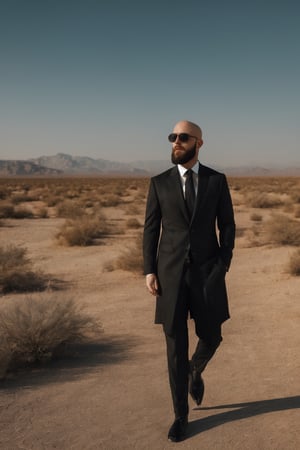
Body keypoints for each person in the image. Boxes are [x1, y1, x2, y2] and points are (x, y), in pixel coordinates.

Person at [143, 120, 235, 442]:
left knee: (212, 335)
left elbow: (227, 224)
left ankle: (196, 368)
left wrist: (223, 263)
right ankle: (180, 416)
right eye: (173, 137)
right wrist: (149, 270)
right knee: (174, 345)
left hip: (207, 274)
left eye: (183, 137)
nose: (176, 142)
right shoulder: (159, 183)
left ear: (199, 143)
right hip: (169, 276)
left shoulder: (215, 181)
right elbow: (151, 229)